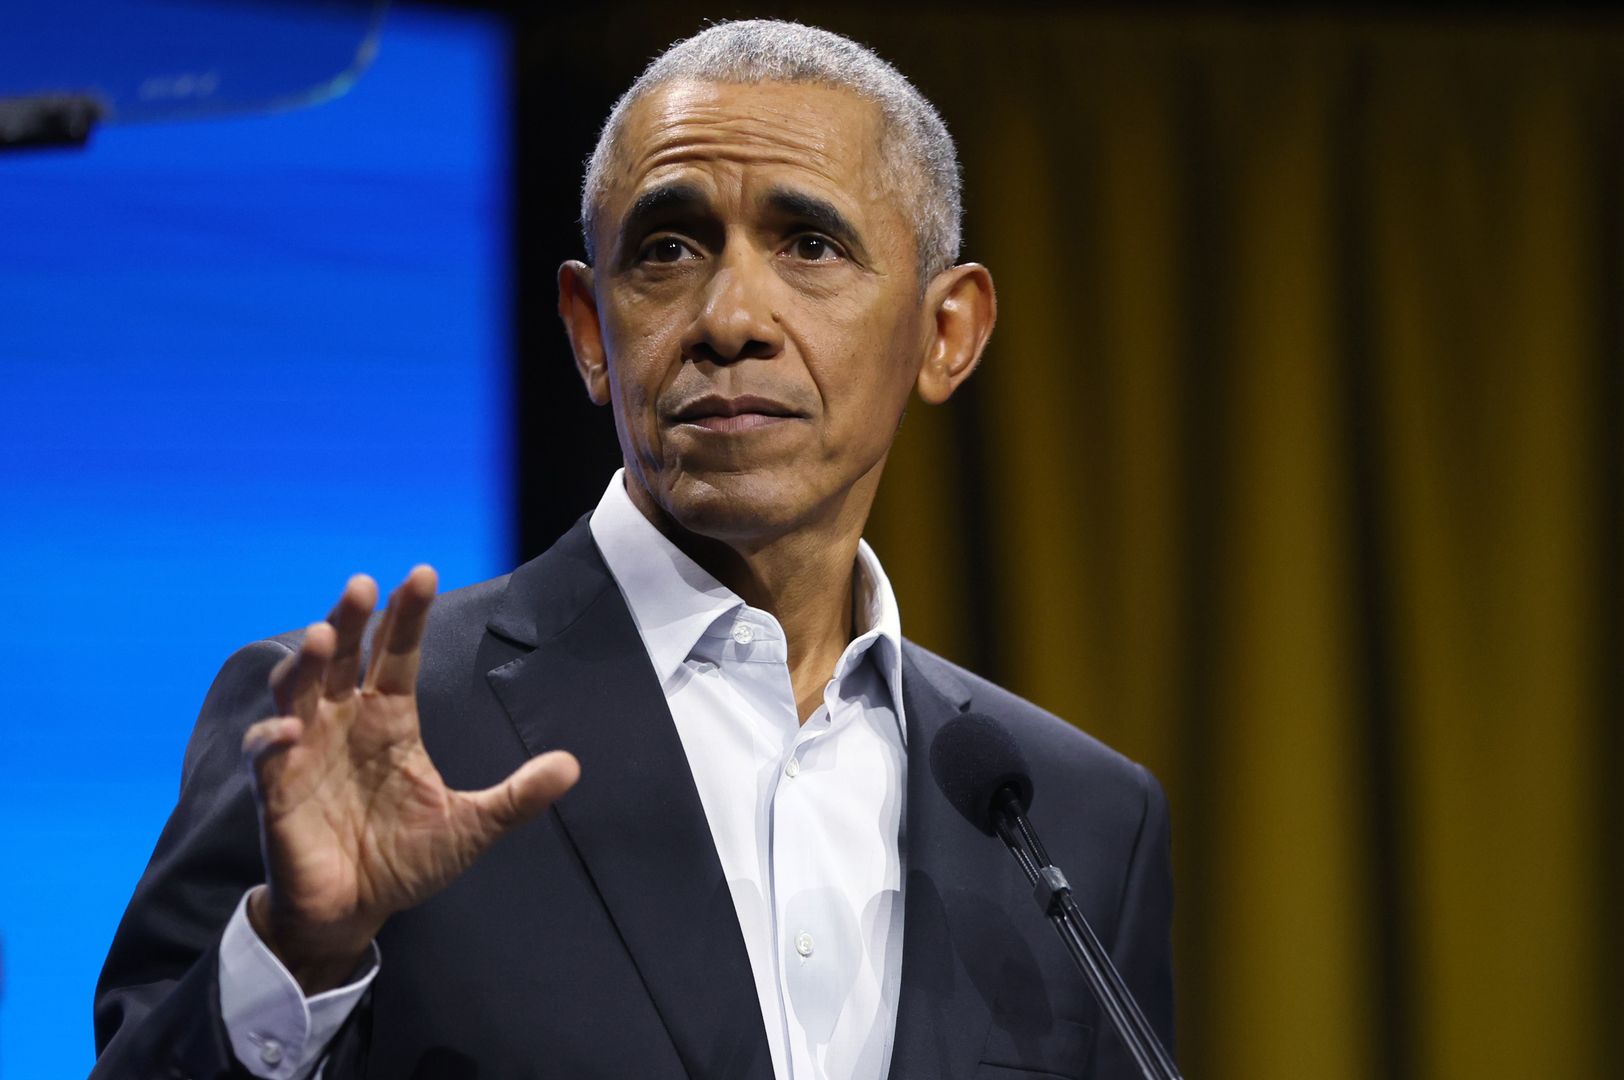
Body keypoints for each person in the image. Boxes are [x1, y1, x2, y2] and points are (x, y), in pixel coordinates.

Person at [92, 19, 1174, 1080]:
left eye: (810, 246)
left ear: (946, 333)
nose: (731, 317)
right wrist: (298, 955)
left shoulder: (1074, 818)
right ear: (587, 329)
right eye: (668, 249)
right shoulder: (361, 734)